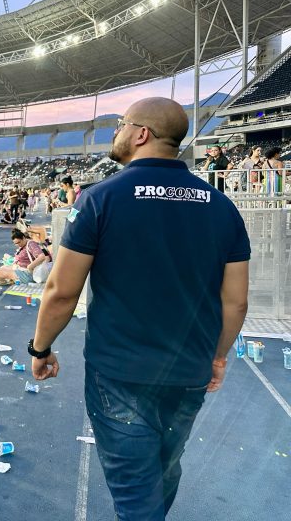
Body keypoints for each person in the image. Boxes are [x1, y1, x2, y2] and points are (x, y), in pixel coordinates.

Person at [29, 97, 250, 520]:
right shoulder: (222, 207)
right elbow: (236, 301)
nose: (116, 133)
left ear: (141, 133)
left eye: (120, 125)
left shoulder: (99, 199)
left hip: (120, 375)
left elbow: (60, 291)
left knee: (135, 498)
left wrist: (40, 349)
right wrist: (218, 356)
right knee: (163, 473)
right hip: (189, 370)